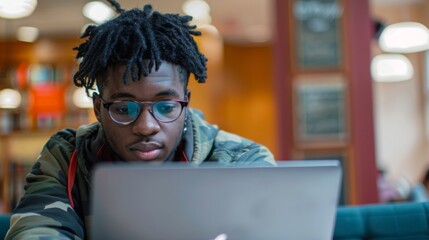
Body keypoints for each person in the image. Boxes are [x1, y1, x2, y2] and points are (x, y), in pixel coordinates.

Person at [5, 1, 275, 239]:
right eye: (124, 109)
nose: (146, 127)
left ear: (186, 102)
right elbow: (35, 231)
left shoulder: (241, 160)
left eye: (166, 107)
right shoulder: (66, 157)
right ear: (98, 108)